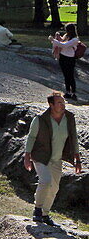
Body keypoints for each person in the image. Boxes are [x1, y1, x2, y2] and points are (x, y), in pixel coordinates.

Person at [24, 91, 82, 226]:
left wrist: (77, 159)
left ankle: (45, 214)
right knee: (45, 180)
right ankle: (37, 210)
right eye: (59, 103)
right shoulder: (40, 119)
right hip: (40, 156)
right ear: (51, 105)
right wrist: (27, 157)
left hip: (57, 159)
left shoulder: (69, 118)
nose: (63, 105)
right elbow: (31, 137)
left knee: (54, 188)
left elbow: (74, 138)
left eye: (64, 103)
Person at [52, 25, 81, 100]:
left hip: (70, 58)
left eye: (67, 30)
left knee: (70, 75)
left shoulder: (75, 39)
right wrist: (58, 37)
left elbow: (64, 45)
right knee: (66, 75)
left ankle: (74, 93)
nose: (66, 31)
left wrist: (53, 40)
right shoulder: (66, 36)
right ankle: (68, 92)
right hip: (63, 57)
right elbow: (62, 41)